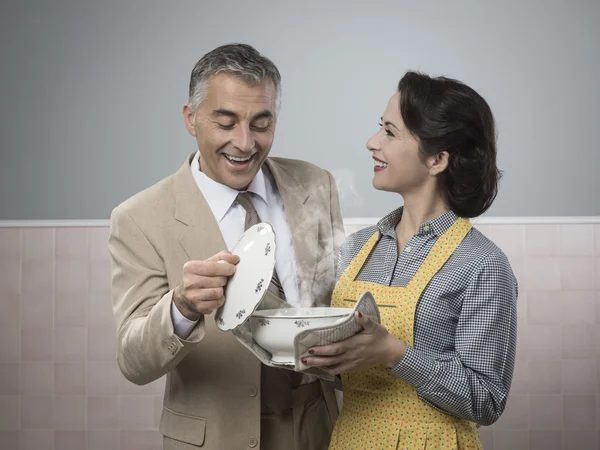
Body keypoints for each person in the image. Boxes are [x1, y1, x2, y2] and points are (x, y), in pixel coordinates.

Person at [109, 43, 344, 450]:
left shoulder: (315, 184)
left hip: (317, 430)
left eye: (261, 123)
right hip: (214, 437)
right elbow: (133, 361)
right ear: (191, 118)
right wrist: (181, 308)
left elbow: (338, 295)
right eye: (226, 122)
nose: (245, 142)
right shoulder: (139, 217)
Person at [303, 71, 518, 449]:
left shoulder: (482, 264)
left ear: (436, 159)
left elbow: (486, 400)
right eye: (379, 129)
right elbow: (347, 373)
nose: (372, 142)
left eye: (389, 132)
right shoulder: (356, 249)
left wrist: (393, 352)